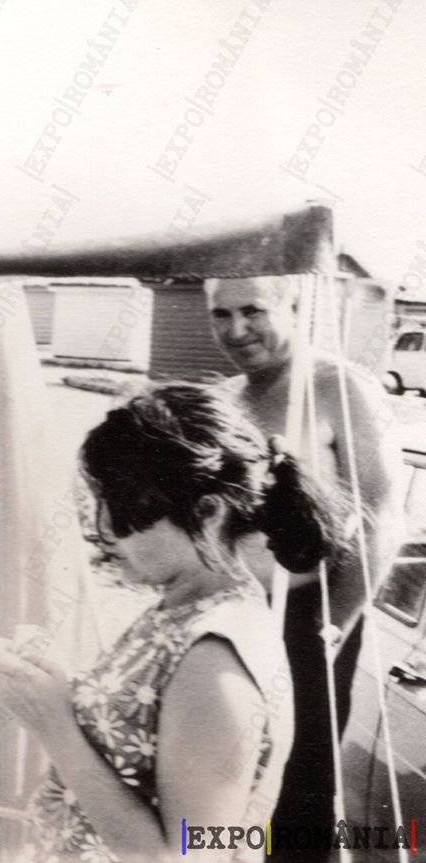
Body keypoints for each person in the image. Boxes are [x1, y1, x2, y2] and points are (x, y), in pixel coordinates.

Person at [0, 384, 344, 862]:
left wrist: (54, 724)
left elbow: (182, 856)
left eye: (125, 507)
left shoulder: (216, 658)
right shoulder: (183, 611)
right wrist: (57, 690)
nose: (103, 530)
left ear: (207, 512)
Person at [206, 276, 402, 857]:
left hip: (306, 621)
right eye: (221, 314)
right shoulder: (225, 398)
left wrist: (330, 627)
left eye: (252, 310)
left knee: (299, 794)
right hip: (228, 618)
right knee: (225, 782)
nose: (236, 329)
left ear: (293, 306)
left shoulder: (338, 387)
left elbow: (383, 519)